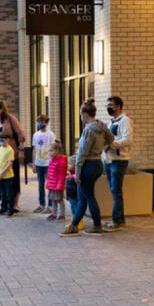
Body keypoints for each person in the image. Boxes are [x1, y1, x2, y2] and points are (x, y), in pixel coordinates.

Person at [61, 99, 114, 237]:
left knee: (89, 196)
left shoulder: (88, 130)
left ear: (85, 114)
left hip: (88, 165)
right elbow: (111, 138)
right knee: (83, 196)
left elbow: (82, 153)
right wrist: (103, 148)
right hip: (97, 163)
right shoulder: (101, 125)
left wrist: (77, 173)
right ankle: (74, 225)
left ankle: (97, 225)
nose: (80, 117)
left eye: (80, 114)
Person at [0, 100, 26, 211]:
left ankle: (14, 203)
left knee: (12, 176)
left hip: (10, 151)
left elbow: (21, 134)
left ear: (1, 109)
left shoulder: (10, 119)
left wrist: (21, 149)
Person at [102, 95, 133, 231]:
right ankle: (119, 218)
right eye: (107, 105)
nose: (109, 107)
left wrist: (112, 145)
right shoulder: (111, 122)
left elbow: (127, 140)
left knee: (116, 190)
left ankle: (117, 221)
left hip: (118, 161)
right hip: (108, 160)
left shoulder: (125, 121)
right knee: (114, 191)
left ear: (119, 106)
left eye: (112, 105)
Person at [32, 114, 56, 213]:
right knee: (40, 185)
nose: (40, 124)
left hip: (48, 163)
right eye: (39, 122)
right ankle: (41, 204)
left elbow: (54, 148)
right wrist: (33, 162)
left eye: (42, 122)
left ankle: (50, 206)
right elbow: (34, 149)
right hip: (38, 162)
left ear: (46, 122)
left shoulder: (51, 134)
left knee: (49, 184)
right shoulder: (35, 135)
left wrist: (52, 162)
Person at [0, 132, 16, 217]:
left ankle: (10, 209)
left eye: (2, 139)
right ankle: (3, 208)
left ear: (7, 140)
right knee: (2, 193)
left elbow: (9, 164)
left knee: (9, 193)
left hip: (8, 176)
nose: (0, 141)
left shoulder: (10, 150)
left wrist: (2, 173)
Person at [46, 141, 67, 221]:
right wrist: (48, 184)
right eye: (49, 151)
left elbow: (62, 175)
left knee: (59, 200)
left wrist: (59, 186)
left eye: (51, 151)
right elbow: (50, 174)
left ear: (57, 151)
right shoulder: (52, 160)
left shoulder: (61, 161)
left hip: (57, 185)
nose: (49, 153)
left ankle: (62, 215)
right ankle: (54, 214)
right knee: (53, 199)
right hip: (52, 185)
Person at [65, 154, 84, 231]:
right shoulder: (70, 174)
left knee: (76, 208)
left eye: (69, 164)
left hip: (75, 196)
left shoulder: (77, 176)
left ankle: (79, 222)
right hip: (71, 196)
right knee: (72, 208)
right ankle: (74, 221)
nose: (68, 166)